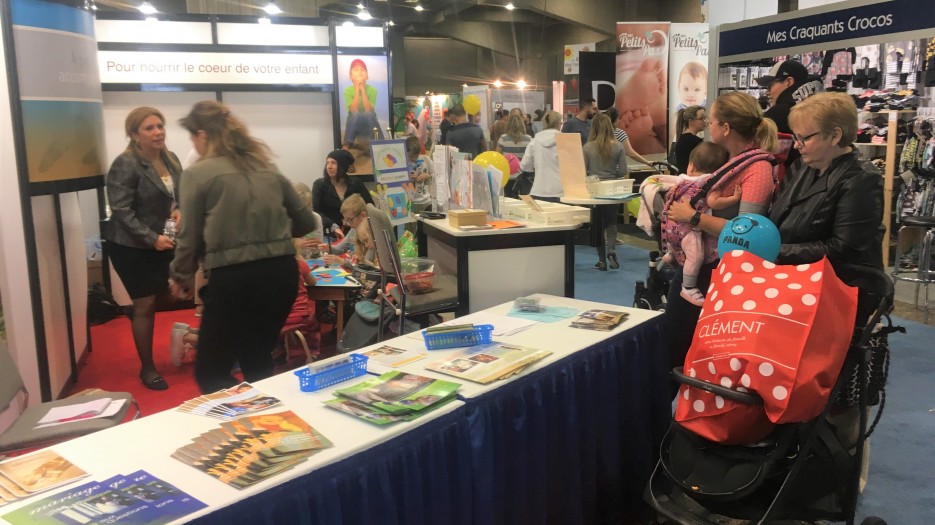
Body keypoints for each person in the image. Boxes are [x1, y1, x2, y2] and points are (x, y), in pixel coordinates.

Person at [168, 100, 319, 394]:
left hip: (234, 280)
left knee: (211, 372)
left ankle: (250, 423)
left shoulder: (197, 174)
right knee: (257, 359)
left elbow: (189, 236)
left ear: (202, 134)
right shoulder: (265, 166)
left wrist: (180, 276)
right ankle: (274, 425)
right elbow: (304, 220)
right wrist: (270, 236)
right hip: (281, 275)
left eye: (191, 136)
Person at [664, 91, 778, 379]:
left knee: (680, 344)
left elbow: (748, 234)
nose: (707, 127)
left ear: (725, 128)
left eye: (711, 121)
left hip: (718, 271)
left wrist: (692, 218)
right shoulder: (735, 162)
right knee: (676, 343)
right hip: (707, 265)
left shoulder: (757, 169)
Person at [104, 106, 182, 391]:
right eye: (149, 128)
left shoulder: (171, 158)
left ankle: (136, 314)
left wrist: (180, 211)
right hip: (130, 244)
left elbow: (178, 196)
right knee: (146, 303)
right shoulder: (126, 163)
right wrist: (151, 238)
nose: (157, 132)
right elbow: (121, 210)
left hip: (164, 240)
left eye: (160, 126)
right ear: (134, 134)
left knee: (172, 294)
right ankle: (148, 369)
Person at [770, 92, 883, 272]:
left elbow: (843, 250)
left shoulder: (861, 179)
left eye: (804, 138)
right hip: (793, 279)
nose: (797, 145)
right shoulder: (800, 166)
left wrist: (774, 251)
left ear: (835, 136)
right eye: (795, 138)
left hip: (839, 287)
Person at [659, 142, 734, 306]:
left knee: (680, 247)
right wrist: (733, 199)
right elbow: (715, 203)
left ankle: (671, 253)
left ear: (691, 166)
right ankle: (689, 286)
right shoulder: (710, 183)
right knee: (695, 256)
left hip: (670, 227)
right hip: (689, 231)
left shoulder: (681, 181)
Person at [583, 114, 628, 271]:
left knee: (598, 225)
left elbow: (583, 171)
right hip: (612, 190)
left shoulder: (588, 147)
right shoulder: (618, 146)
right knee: (611, 223)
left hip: (594, 191)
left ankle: (602, 261)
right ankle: (611, 250)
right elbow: (623, 170)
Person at [312, 149, 374, 237]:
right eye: (327, 162)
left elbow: (369, 206)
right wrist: (333, 227)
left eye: (333, 163)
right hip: (329, 235)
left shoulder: (355, 183)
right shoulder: (319, 185)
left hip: (355, 234)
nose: (329, 166)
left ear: (343, 165)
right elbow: (315, 210)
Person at [755, 59, 822, 135]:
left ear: (789, 82)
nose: (767, 92)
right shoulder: (823, 106)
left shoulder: (777, 115)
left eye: (770, 86)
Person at [520, 110, 564, 202]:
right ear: (559, 123)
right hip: (561, 191)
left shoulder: (534, 141)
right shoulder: (566, 141)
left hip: (538, 191)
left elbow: (524, 166)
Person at [343, 58, 385, 144]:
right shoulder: (348, 91)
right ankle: (347, 144)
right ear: (351, 76)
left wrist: (362, 90)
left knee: (369, 113)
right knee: (355, 113)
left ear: (367, 76)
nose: (359, 72)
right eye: (356, 70)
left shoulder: (373, 90)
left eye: (362, 70)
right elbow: (353, 109)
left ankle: (380, 142)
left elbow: (368, 109)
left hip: (369, 119)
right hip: (354, 121)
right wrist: (357, 88)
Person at [672, 105, 706, 174]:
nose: (704, 121)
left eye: (705, 118)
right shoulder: (695, 142)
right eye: (701, 118)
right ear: (691, 121)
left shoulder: (682, 138)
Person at [405, 135, 433, 215]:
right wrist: (409, 179)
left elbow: (436, 174)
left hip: (426, 201)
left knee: (426, 225)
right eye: (410, 156)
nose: (413, 159)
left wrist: (427, 176)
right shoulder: (403, 163)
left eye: (416, 156)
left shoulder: (425, 159)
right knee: (411, 226)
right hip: (410, 201)